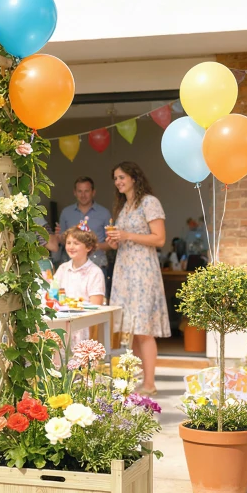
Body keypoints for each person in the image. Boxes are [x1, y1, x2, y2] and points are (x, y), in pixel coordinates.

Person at [106, 162, 170, 394]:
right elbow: (126, 238)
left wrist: (127, 235)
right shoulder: (124, 207)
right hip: (124, 272)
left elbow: (159, 239)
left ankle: (150, 384)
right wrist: (116, 241)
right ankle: (137, 380)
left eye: (122, 177)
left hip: (143, 271)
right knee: (129, 330)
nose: (118, 182)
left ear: (134, 178)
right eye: (115, 178)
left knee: (144, 328)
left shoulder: (149, 202)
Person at [54, 225, 106, 346]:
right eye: (68, 243)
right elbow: (53, 294)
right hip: (62, 323)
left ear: (88, 247)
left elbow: (96, 305)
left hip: (84, 326)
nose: (71, 247)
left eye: (76, 243)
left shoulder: (94, 272)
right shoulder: (62, 269)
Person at [46, 177, 111, 269]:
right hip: (71, 267)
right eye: (80, 191)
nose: (83, 195)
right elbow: (62, 240)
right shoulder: (66, 213)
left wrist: (91, 246)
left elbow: (111, 244)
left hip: (98, 265)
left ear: (93, 192)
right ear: (75, 192)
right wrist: (58, 237)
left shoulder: (104, 213)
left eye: (86, 191)